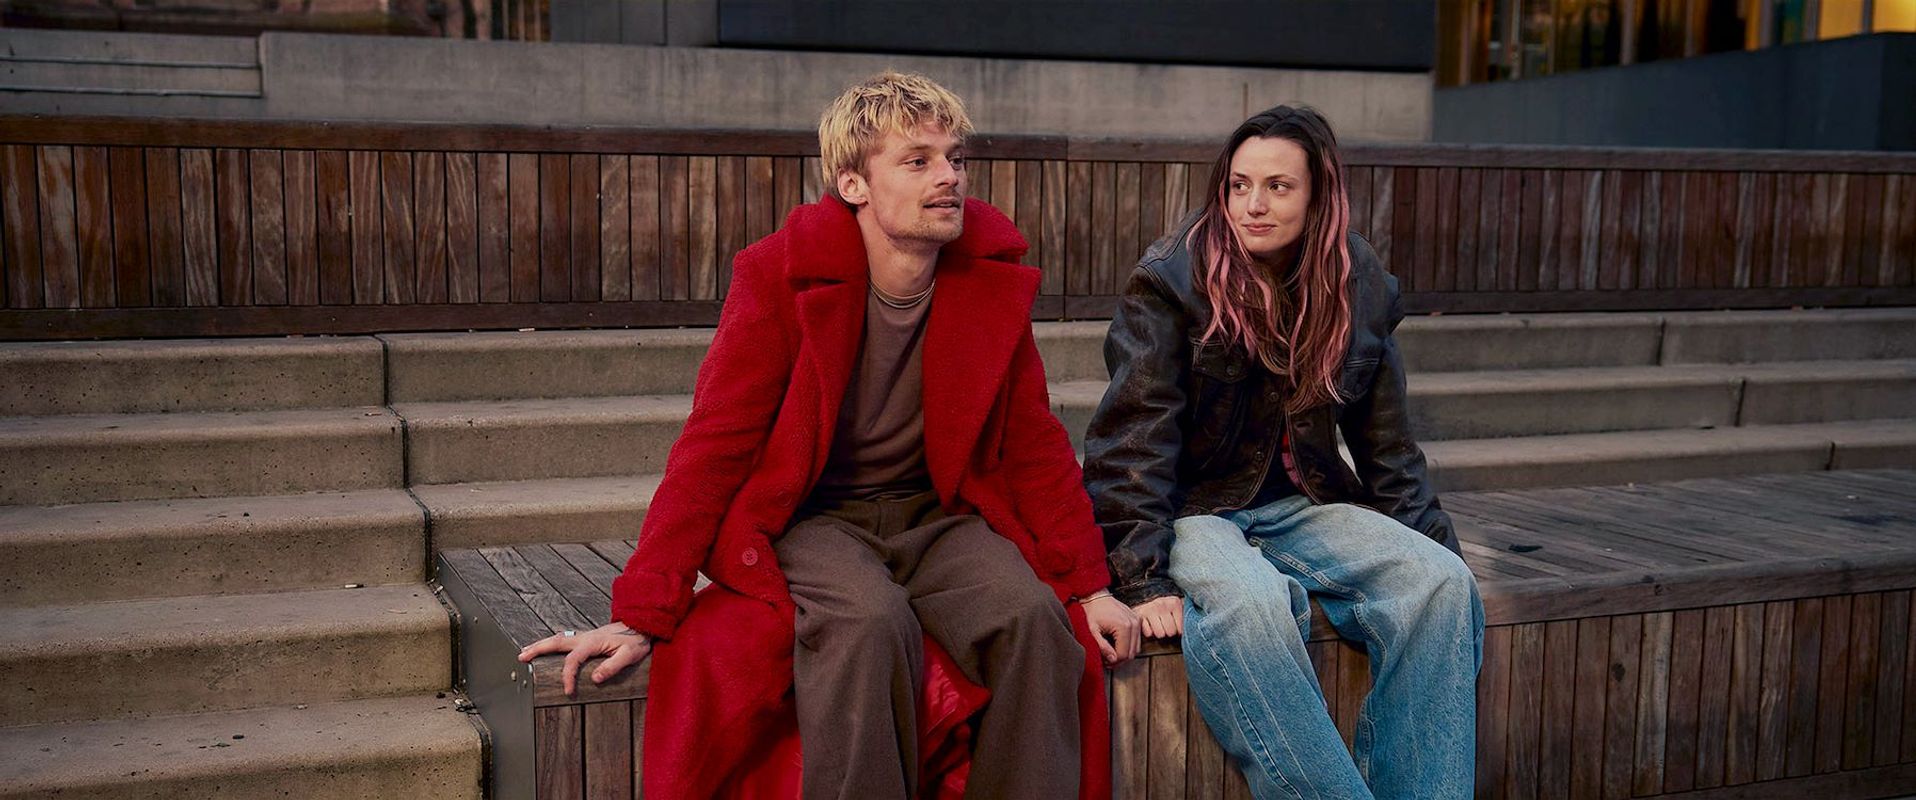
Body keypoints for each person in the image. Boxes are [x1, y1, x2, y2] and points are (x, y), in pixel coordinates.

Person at [518, 71, 1139, 799]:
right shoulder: (779, 275)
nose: (949, 176)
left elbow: (1034, 443)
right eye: (918, 161)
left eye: (955, 158)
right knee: (869, 624)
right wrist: (640, 612)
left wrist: (1089, 586)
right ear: (853, 185)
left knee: (1033, 620)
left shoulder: (987, 279)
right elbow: (714, 446)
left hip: (936, 514)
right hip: (814, 518)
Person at [1082, 105, 1484, 800]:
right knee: (1252, 605)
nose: (1253, 205)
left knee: (1441, 585)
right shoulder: (1172, 277)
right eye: (1239, 185)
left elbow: (1387, 445)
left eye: (1278, 186)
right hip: (1194, 509)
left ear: (1319, 196)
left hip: (1304, 500)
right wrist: (1142, 578)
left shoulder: (1358, 282)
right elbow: (1133, 438)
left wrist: (1431, 545)